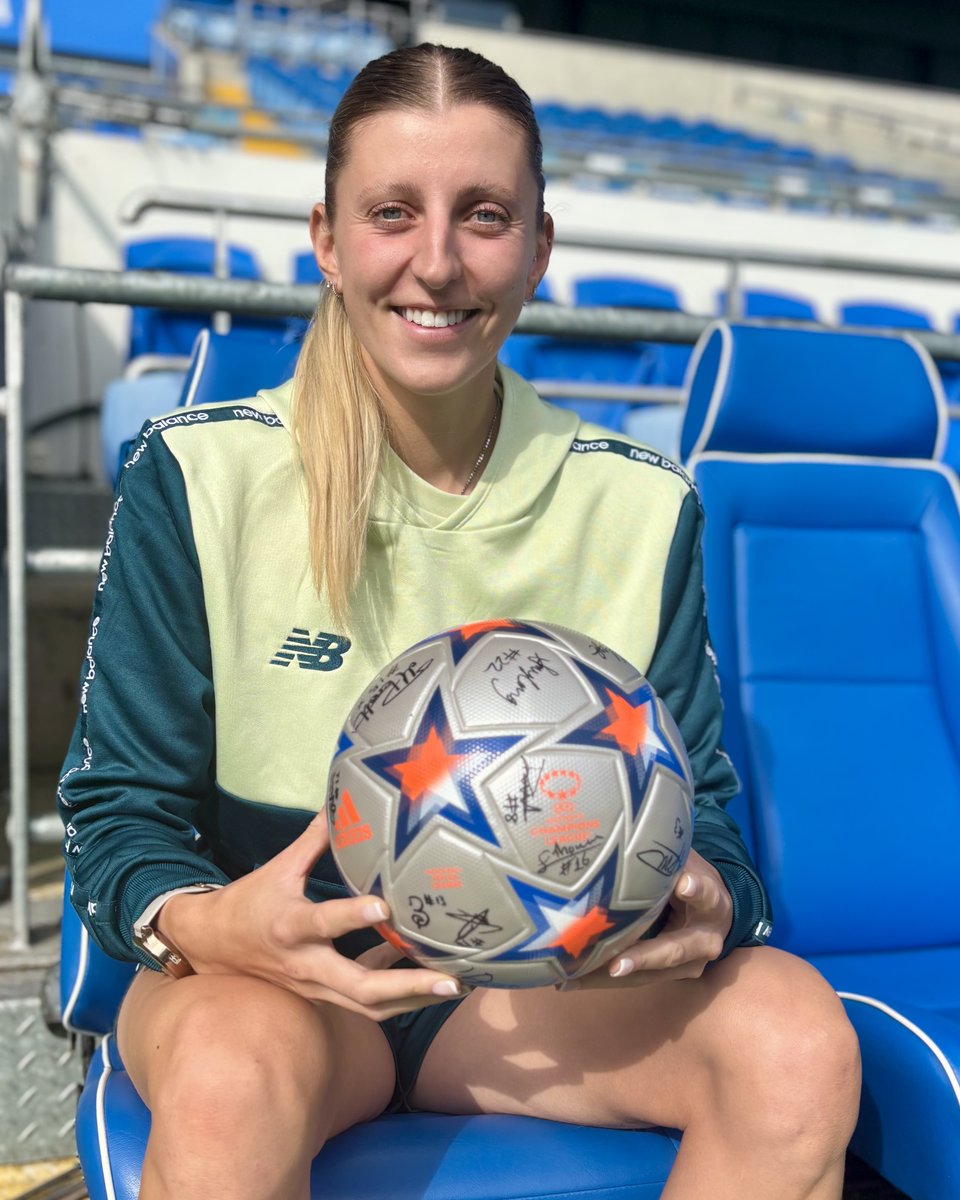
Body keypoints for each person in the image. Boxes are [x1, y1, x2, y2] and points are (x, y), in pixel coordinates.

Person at [58, 42, 860, 1200]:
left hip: (531, 998)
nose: (436, 263)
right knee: (230, 1074)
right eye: (392, 212)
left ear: (539, 248)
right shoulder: (195, 474)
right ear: (327, 239)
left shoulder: (640, 501)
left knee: (794, 1041)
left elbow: (711, 821)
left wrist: (710, 899)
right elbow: (116, 815)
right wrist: (214, 924)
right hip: (276, 986)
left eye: (484, 215)